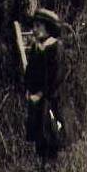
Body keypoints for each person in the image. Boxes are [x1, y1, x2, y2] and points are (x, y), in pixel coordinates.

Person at [23, 8, 66, 160]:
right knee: (38, 134)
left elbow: (56, 77)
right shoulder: (37, 47)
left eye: (38, 26)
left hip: (50, 98)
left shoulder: (55, 47)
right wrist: (28, 89)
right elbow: (29, 71)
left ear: (48, 27)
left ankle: (52, 165)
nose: (34, 30)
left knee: (50, 132)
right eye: (33, 26)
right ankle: (41, 165)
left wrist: (41, 94)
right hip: (36, 98)